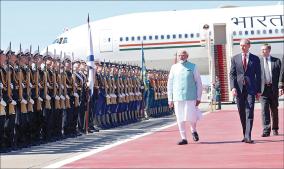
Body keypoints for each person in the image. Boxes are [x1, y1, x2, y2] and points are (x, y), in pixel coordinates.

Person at [167, 49, 202, 145]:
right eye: (179, 55)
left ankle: (193, 130)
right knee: (180, 118)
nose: (181, 57)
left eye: (183, 55)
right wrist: (170, 99)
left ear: (187, 56)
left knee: (191, 116)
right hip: (178, 97)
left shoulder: (193, 66)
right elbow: (170, 84)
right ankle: (184, 138)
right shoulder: (174, 68)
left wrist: (199, 97)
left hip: (190, 96)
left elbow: (198, 82)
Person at [229, 38, 261, 144]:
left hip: (251, 89)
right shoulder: (235, 58)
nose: (242, 47)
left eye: (244, 45)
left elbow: (259, 76)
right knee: (241, 112)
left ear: (249, 46)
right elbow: (232, 74)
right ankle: (245, 134)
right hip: (238, 90)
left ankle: (248, 136)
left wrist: (258, 91)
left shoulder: (255, 59)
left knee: (249, 111)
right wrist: (233, 87)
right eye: (241, 45)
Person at [259, 44, 281, 137]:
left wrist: (281, 87)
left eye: (264, 49)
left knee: (274, 109)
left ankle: (275, 129)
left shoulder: (277, 61)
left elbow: (281, 75)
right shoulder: (258, 62)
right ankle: (266, 130)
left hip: (273, 89)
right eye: (262, 50)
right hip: (263, 90)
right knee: (264, 110)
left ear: (269, 50)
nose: (263, 51)